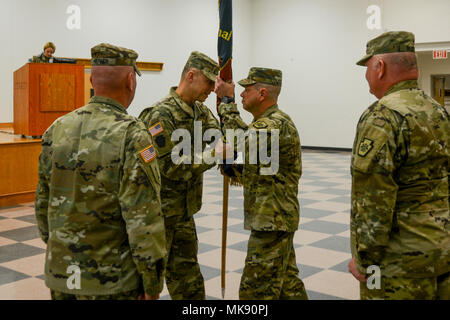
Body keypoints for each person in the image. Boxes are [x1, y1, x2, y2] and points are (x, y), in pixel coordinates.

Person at [35, 43, 166, 300]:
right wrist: (152, 284)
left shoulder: (56, 129)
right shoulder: (133, 135)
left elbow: (42, 206)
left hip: (62, 276)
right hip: (112, 282)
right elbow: (143, 219)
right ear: (131, 81)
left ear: (92, 79)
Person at [349, 31, 450, 300]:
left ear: (379, 67)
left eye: (368, 67)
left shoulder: (382, 115)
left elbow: (373, 200)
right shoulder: (437, 110)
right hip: (441, 250)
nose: (367, 76)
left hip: (398, 263)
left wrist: (365, 259)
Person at [214, 67, 308, 300]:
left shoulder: (274, 124)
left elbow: (238, 144)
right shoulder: (264, 123)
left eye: (247, 90)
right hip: (273, 219)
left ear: (262, 93)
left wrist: (227, 101)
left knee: (254, 292)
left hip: (272, 221)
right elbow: (244, 147)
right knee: (287, 285)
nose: (243, 94)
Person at [138, 51, 222, 300]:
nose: (211, 89)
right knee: (148, 285)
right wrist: (212, 156)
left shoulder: (200, 112)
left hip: (184, 213)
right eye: (208, 82)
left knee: (188, 282)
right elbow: (169, 166)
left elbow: (218, 136)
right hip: (158, 217)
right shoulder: (160, 115)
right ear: (191, 75)